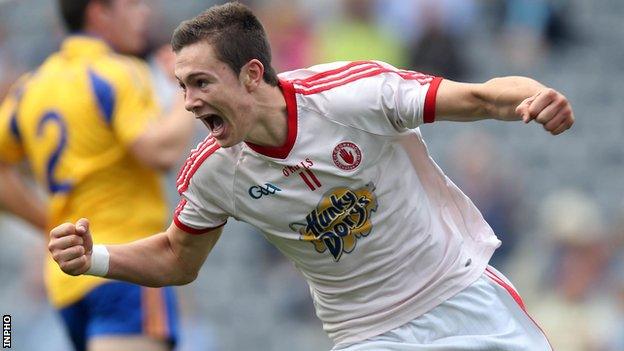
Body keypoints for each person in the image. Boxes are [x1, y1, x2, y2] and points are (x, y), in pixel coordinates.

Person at [48, 2, 575, 350]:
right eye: (183, 86)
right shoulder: (212, 170)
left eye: (201, 83)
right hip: (367, 334)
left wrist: (535, 97)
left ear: (252, 74)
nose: (188, 102)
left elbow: (480, 96)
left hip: (458, 290)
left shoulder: (351, 95)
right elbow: (175, 258)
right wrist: (95, 258)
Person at [0, 0, 195, 350]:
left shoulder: (30, 88)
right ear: (98, 13)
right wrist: (190, 91)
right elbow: (158, 152)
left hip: (67, 280)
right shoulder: (118, 71)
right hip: (126, 264)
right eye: (132, 4)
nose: (145, 12)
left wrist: (47, 222)